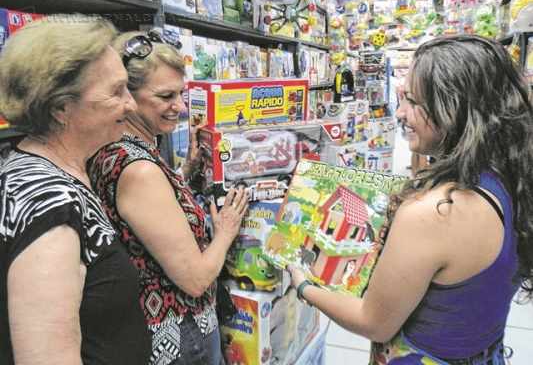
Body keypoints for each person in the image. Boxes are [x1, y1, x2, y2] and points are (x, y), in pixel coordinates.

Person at [288, 35, 533, 364]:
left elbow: (374, 322)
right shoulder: (509, 179)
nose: (400, 113)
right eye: (402, 97)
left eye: (413, 102)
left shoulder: (432, 213)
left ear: (455, 109)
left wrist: (304, 286)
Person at [88, 30, 248, 365]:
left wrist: (184, 172)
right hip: (180, 337)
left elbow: (147, 220)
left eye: (181, 94)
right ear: (126, 95)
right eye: (165, 96)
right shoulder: (140, 171)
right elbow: (196, 279)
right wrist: (226, 231)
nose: (180, 106)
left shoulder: (116, 147)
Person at [0, 16, 150, 364]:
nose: (131, 104)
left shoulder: (64, 166)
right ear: (61, 108)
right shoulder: (48, 205)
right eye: (116, 91)